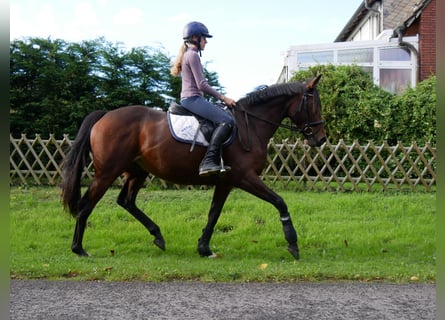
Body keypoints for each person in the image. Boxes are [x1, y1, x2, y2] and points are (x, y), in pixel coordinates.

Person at [171, 21, 237, 177]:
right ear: (195, 37)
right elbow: (202, 85)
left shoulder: (188, 55)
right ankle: (208, 161)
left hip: (193, 99)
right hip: (192, 99)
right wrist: (223, 97)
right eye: (204, 38)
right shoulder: (192, 55)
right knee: (227, 121)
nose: (206, 41)